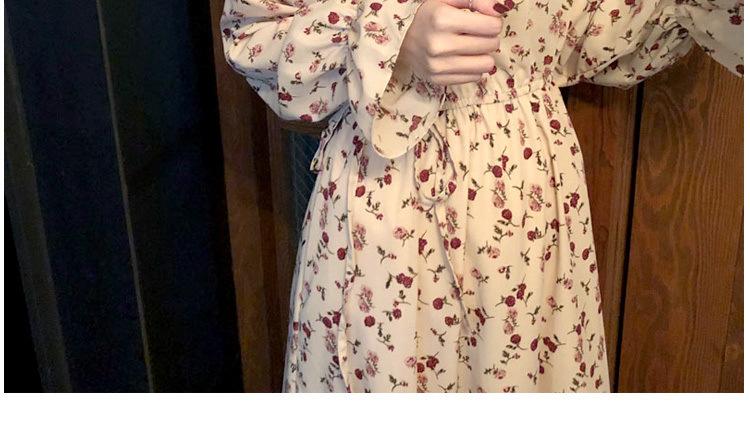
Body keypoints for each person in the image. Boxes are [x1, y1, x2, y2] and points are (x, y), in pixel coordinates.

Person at [219, 0, 743, 392]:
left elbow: (609, 25)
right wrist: (391, 35)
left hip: (525, 207)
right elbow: (253, 34)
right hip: (385, 197)